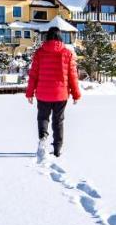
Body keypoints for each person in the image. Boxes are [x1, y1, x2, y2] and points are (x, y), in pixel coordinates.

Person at [25, 28, 82, 159]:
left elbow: (33, 74)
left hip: (43, 93)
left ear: (47, 37)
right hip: (60, 94)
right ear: (60, 37)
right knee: (58, 121)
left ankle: (43, 137)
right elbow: (73, 75)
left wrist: (29, 93)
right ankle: (57, 148)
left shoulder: (39, 53)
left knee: (43, 118)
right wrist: (76, 94)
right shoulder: (67, 53)